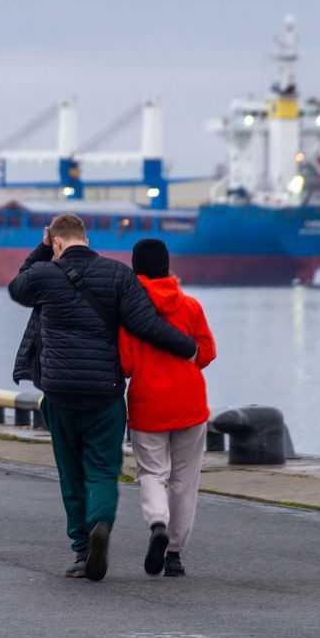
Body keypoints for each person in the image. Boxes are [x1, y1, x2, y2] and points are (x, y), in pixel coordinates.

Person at [9, 214, 197, 582]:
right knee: (102, 472)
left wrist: (43, 249)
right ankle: (101, 523)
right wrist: (185, 346)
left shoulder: (45, 275)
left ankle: (82, 551)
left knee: (71, 474)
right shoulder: (118, 274)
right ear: (87, 239)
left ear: (57, 242)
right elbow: (146, 324)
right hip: (104, 395)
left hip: (60, 393)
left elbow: (18, 286)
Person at [119, 238, 216, 578]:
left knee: (152, 473)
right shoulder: (190, 306)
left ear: (135, 268)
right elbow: (206, 351)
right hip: (190, 402)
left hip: (149, 405)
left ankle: (157, 523)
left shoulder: (130, 311)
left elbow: (126, 364)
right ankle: (174, 554)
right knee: (184, 480)